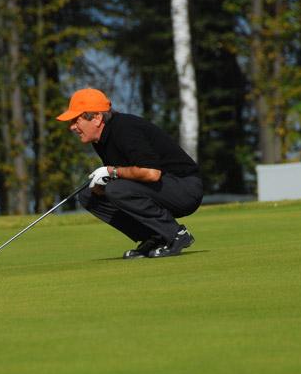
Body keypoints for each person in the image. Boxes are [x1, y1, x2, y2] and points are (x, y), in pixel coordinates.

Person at [56, 88, 203, 259]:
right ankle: (154, 237)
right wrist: (101, 185)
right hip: (160, 189)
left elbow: (151, 173)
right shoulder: (100, 139)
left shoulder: (125, 129)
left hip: (184, 188)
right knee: (89, 195)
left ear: (97, 118)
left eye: (76, 120)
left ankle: (176, 234)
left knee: (116, 189)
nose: (72, 126)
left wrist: (111, 171)